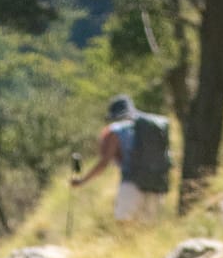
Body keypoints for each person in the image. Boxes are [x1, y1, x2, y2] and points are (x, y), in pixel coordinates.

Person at [73, 93, 171, 224]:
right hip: (156, 184)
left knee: (124, 227)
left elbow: (104, 163)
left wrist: (82, 181)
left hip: (131, 184)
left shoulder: (116, 130)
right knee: (147, 229)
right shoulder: (153, 126)